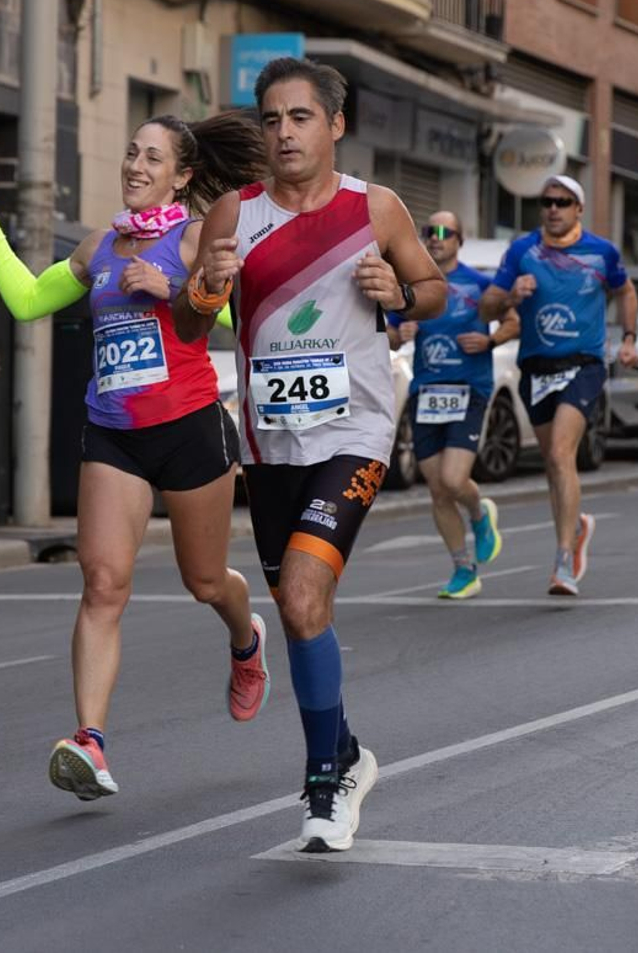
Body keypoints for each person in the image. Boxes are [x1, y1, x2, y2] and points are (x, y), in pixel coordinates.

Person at [0, 110, 271, 803]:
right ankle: (90, 740)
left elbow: (240, 319)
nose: (136, 166)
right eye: (131, 153)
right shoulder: (98, 249)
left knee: (206, 581)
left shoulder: (196, 237)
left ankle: (246, 637)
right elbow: (28, 301)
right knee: (103, 584)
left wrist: (174, 289)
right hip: (113, 434)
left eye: (153, 158)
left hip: (190, 428)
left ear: (182, 176)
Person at [173, 56, 445, 853]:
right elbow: (190, 329)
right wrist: (206, 287)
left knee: (299, 596)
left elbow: (433, 290)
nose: (284, 132)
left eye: (300, 117)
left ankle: (324, 779)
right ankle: (350, 749)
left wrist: (399, 294)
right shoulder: (233, 214)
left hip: (355, 434)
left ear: (336, 125)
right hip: (270, 444)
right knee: (302, 616)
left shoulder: (375, 207)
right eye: (272, 119)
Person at [478, 175, 637, 596]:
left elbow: (626, 291)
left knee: (561, 453)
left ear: (578, 208)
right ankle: (577, 527)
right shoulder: (522, 251)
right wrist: (511, 295)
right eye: (547, 201)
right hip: (536, 366)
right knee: (552, 461)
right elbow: (487, 307)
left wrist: (628, 338)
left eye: (563, 202)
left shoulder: (602, 252)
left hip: (583, 364)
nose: (553, 208)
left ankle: (563, 559)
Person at [386, 210, 515, 599]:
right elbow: (389, 334)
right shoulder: (412, 287)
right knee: (438, 490)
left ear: (460, 240)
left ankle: (479, 513)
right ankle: (463, 570)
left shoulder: (479, 284)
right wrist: (400, 333)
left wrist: (490, 341)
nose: (435, 237)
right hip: (426, 391)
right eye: (429, 231)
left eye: (445, 232)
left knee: (454, 480)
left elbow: (513, 320)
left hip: (468, 388)